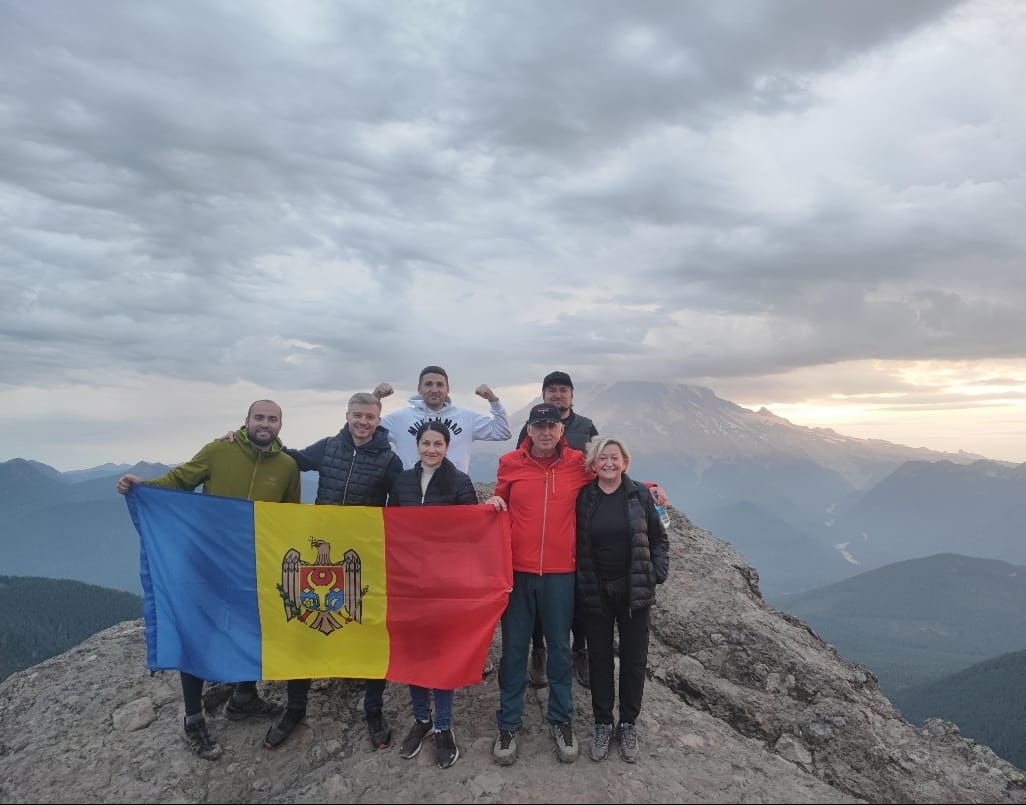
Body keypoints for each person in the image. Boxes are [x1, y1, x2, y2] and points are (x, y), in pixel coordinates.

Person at [116, 400, 300, 761]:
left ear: (281, 424)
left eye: (272, 419)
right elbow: (180, 479)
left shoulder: (287, 466)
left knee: (252, 627)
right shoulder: (219, 450)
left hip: (251, 562)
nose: (264, 424)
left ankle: (244, 697)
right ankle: (193, 718)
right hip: (206, 560)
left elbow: (288, 516)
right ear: (246, 421)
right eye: (259, 418)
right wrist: (143, 487)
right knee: (198, 632)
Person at [262, 392, 404, 751]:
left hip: (362, 555)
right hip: (320, 553)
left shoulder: (389, 460)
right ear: (347, 415)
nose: (363, 422)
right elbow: (292, 458)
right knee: (304, 626)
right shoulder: (328, 447)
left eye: (369, 417)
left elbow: (403, 504)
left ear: (378, 420)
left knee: (369, 630)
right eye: (357, 415)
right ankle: (295, 709)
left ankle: (373, 709)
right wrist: (250, 440)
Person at [485, 403, 594, 766]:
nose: (546, 432)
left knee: (560, 649)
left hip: (561, 573)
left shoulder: (578, 464)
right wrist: (494, 500)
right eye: (539, 426)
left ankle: (561, 720)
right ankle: (508, 724)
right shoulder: (510, 463)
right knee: (514, 650)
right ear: (529, 430)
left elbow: (614, 478)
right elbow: (500, 498)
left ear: (562, 430)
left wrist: (652, 490)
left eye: (552, 426)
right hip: (517, 572)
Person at [388, 421, 479, 769]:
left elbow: (473, 531)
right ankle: (421, 719)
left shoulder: (460, 482)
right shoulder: (402, 482)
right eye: (426, 443)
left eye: (438, 444)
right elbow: (391, 526)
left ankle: (443, 725)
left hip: (444, 584)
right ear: (417, 446)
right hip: (409, 582)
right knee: (414, 652)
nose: (431, 449)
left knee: (441, 654)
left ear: (447, 447)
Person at [575, 437, 669, 763]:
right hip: (596, 592)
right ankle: (603, 722)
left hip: (633, 593)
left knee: (633, 660)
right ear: (593, 463)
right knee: (599, 660)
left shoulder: (639, 494)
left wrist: (656, 572)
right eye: (603, 458)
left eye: (614, 458)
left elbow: (659, 538)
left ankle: (628, 722)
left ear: (624, 462)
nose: (609, 463)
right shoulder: (584, 497)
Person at [515, 371, 598, 690]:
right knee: (539, 595)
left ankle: (580, 651)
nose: (558, 394)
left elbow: (604, 466)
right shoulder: (529, 427)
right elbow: (520, 464)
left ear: (572, 396)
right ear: (543, 395)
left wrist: (645, 488)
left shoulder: (586, 427)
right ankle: (539, 651)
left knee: (579, 594)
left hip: (578, 521)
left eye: (564, 389)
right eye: (551, 389)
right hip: (542, 525)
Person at [373, 365, 512, 472]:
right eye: (428, 384)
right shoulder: (400, 418)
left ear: (447, 389)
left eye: (440, 385)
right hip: (412, 493)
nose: (434, 390)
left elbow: (503, 432)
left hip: (453, 492)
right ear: (419, 389)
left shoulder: (466, 417)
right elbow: (366, 432)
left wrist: (493, 400)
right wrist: (375, 398)